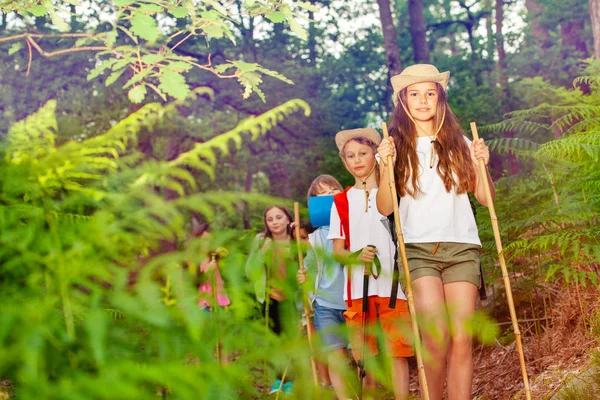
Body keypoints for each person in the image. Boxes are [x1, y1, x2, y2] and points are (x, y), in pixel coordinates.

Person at [376, 64, 495, 400]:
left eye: (430, 93)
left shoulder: (460, 142)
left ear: (441, 100)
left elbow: (485, 199)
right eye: (415, 94)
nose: (423, 100)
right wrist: (385, 166)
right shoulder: (393, 146)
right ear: (403, 101)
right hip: (416, 248)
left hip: (462, 247)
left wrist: (481, 164)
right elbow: (386, 207)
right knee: (435, 337)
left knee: (461, 337)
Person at [329, 129, 414, 400]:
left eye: (363, 153)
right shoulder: (340, 201)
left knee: (398, 352)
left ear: (375, 155)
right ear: (344, 162)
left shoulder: (393, 190)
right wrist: (356, 257)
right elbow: (338, 252)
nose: (357, 160)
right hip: (357, 291)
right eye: (350, 156)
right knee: (366, 358)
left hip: (393, 287)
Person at [297, 174, 352, 399]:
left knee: (358, 355)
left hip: (351, 301)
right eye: (322, 195)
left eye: (333, 192)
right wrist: (303, 277)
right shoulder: (314, 238)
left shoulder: (352, 229)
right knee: (335, 356)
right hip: (325, 303)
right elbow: (309, 270)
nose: (329, 197)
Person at [245, 205, 297, 394]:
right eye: (270, 219)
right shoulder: (261, 241)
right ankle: (277, 381)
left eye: (279, 217)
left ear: (287, 218)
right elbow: (250, 271)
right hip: (269, 299)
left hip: (292, 299)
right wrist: (262, 253)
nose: (275, 222)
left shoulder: (296, 240)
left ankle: (290, 382)